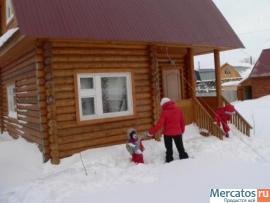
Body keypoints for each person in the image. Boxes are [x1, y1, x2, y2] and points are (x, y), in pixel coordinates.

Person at [148, 97, 188, 163]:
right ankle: (184, 158)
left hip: (167, 134)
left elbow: (159, 124)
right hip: (178, 133)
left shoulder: (164, 112)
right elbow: (182, 122)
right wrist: (182, 130)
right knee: (180, 148)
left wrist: (151, 132)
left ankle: (169, 160)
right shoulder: (179, 110)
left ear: (164, 104)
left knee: (169, 149)